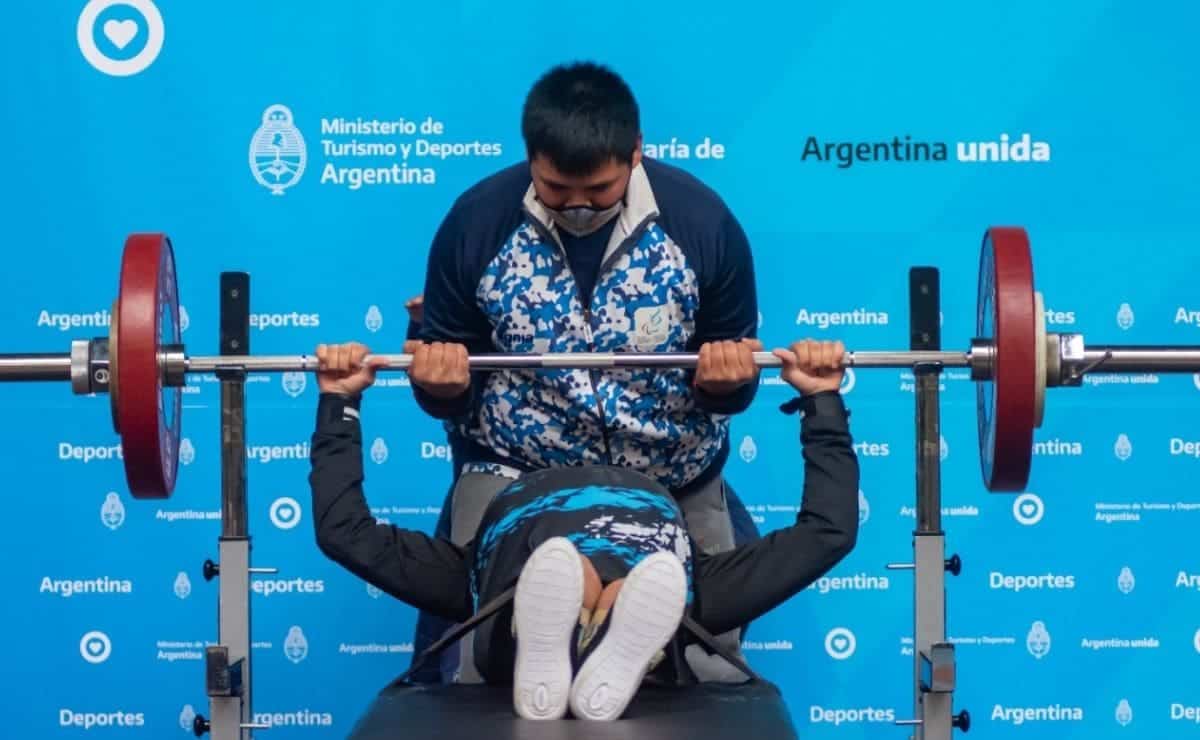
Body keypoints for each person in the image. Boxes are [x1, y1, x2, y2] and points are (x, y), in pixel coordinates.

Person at [407, 61, 763, 677]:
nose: (576, 207)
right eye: (555, 189)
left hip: (672, 469)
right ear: (530, 159)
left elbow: (733, 386)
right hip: (516, 470)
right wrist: (441, 387)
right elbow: (449, 380)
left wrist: (726, 381)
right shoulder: (476, 223)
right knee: (478, 660)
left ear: (635, 154)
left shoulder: (702, 225)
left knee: (715, 666)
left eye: (597, 191)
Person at [309, 339, 858, 720]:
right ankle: (609, 624)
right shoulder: (703, 593)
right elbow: (827, 531)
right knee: (678, 595)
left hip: (512, 575)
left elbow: (345, 531)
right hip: (653, 563)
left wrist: (340, 402)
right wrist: (822, 399)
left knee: (504, 596)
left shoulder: (466, 582)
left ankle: (566, 628)